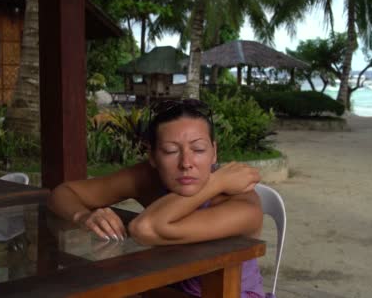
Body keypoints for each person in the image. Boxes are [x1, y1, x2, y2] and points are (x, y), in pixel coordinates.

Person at [48, 99, 267, 297]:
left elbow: (146, 229)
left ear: (214, 152)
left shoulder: (242, 204)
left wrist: (216, 182)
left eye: (198, 149)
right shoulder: (147, 178)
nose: (186, 163)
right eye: (171, 151)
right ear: (152, 156)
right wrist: (83, 216)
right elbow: (63, 193)